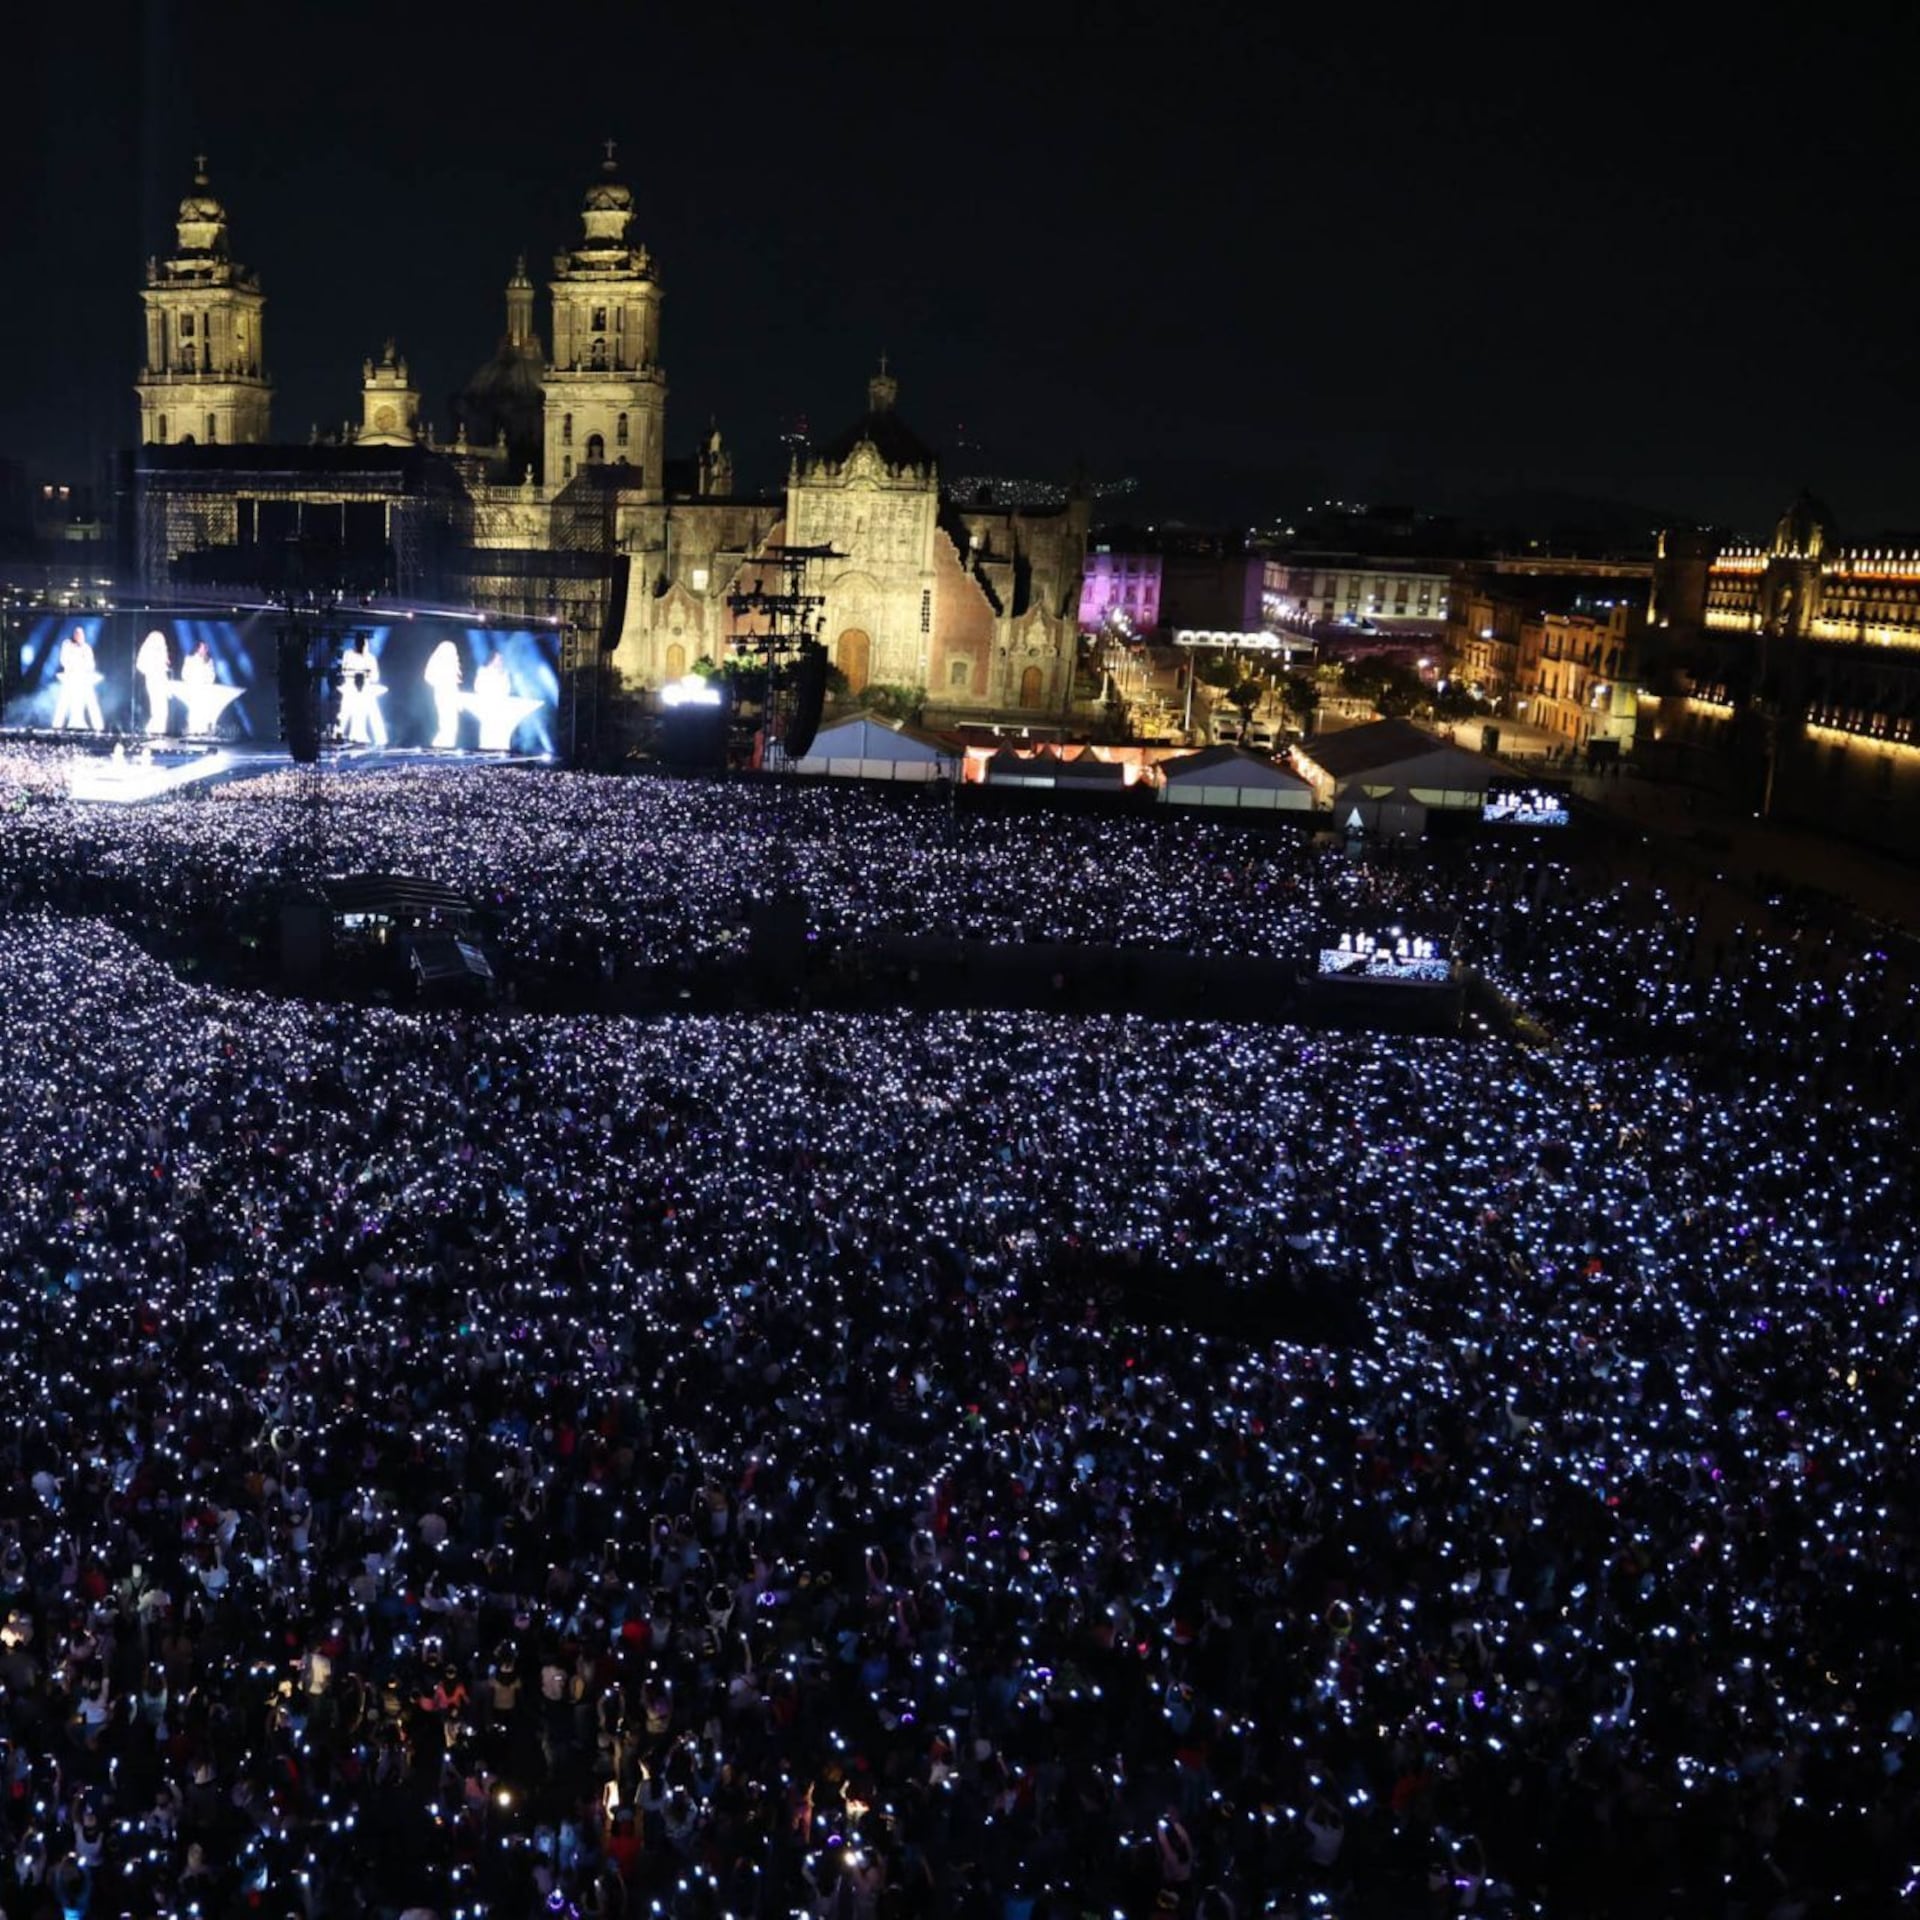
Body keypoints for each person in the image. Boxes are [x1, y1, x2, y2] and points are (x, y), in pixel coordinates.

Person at [338, 634, 387, 747]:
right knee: (345, 712)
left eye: (362, 644)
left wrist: (365, 677)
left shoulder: (370, 658)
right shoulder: (348, 654)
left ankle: (381, 739)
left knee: (373, 713)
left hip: (365, 689)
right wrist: (354, 676)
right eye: (358, 643)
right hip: (351, 688)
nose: (360, 646)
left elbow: (375, 677)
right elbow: (344, 671)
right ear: (355, 643)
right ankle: (338, 734)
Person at [51, 627, 104, 731]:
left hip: (83, 678)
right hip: (70, 677)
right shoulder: (67, 644)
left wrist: (85, 667)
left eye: (81, 634)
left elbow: (91, 663)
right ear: (74, 635)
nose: (79, 636)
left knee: (91, 701)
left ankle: (98, 727)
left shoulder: (87, 647)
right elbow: (63, 659)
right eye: (77, 633)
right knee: (63, 701)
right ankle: (57, 725)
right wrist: (73, 665)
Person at [424, 637, 465, 749]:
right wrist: (441, 684)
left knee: (452, 727)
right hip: (443, 696)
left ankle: (445, 748)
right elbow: (429, 678)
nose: (454, 653)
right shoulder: (440, 667)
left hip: (451, 697)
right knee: (447, 726)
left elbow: (454, 686)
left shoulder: (452, 667)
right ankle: (438, 749)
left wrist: (458, 702)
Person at [472, 651, 516, 751]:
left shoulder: (504, 673)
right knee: (488, 732)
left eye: (501, 659)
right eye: (498, 658)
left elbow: (507, 689)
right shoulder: (483, 671)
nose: (500, 661)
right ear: (492, 659)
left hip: (501, 706)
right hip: (488, 706)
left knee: (501, 732)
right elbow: (478, 687)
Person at [179, 639, 222, 736]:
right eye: (203, 647)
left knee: (204, 710)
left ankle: (202, 731)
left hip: (204, 688)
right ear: (198, 648)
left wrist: (207, 682)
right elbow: (184, 673)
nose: (205, 649)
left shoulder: (209, 660)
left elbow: (212, 674)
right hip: (193, 688)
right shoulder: (189, 659)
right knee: (194, 710)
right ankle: (192, 731)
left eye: (206, 648)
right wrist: (190, 682)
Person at [136, 629, 174, 736]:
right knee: (158, 710)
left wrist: (164, 665)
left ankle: (157, 733)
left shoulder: (161, 651)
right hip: (153, 680)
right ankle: (152, 733)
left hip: (161, 680)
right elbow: (140, 665)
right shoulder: (148, 651)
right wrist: (152, 669)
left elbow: (165, 666)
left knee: (163, 711)